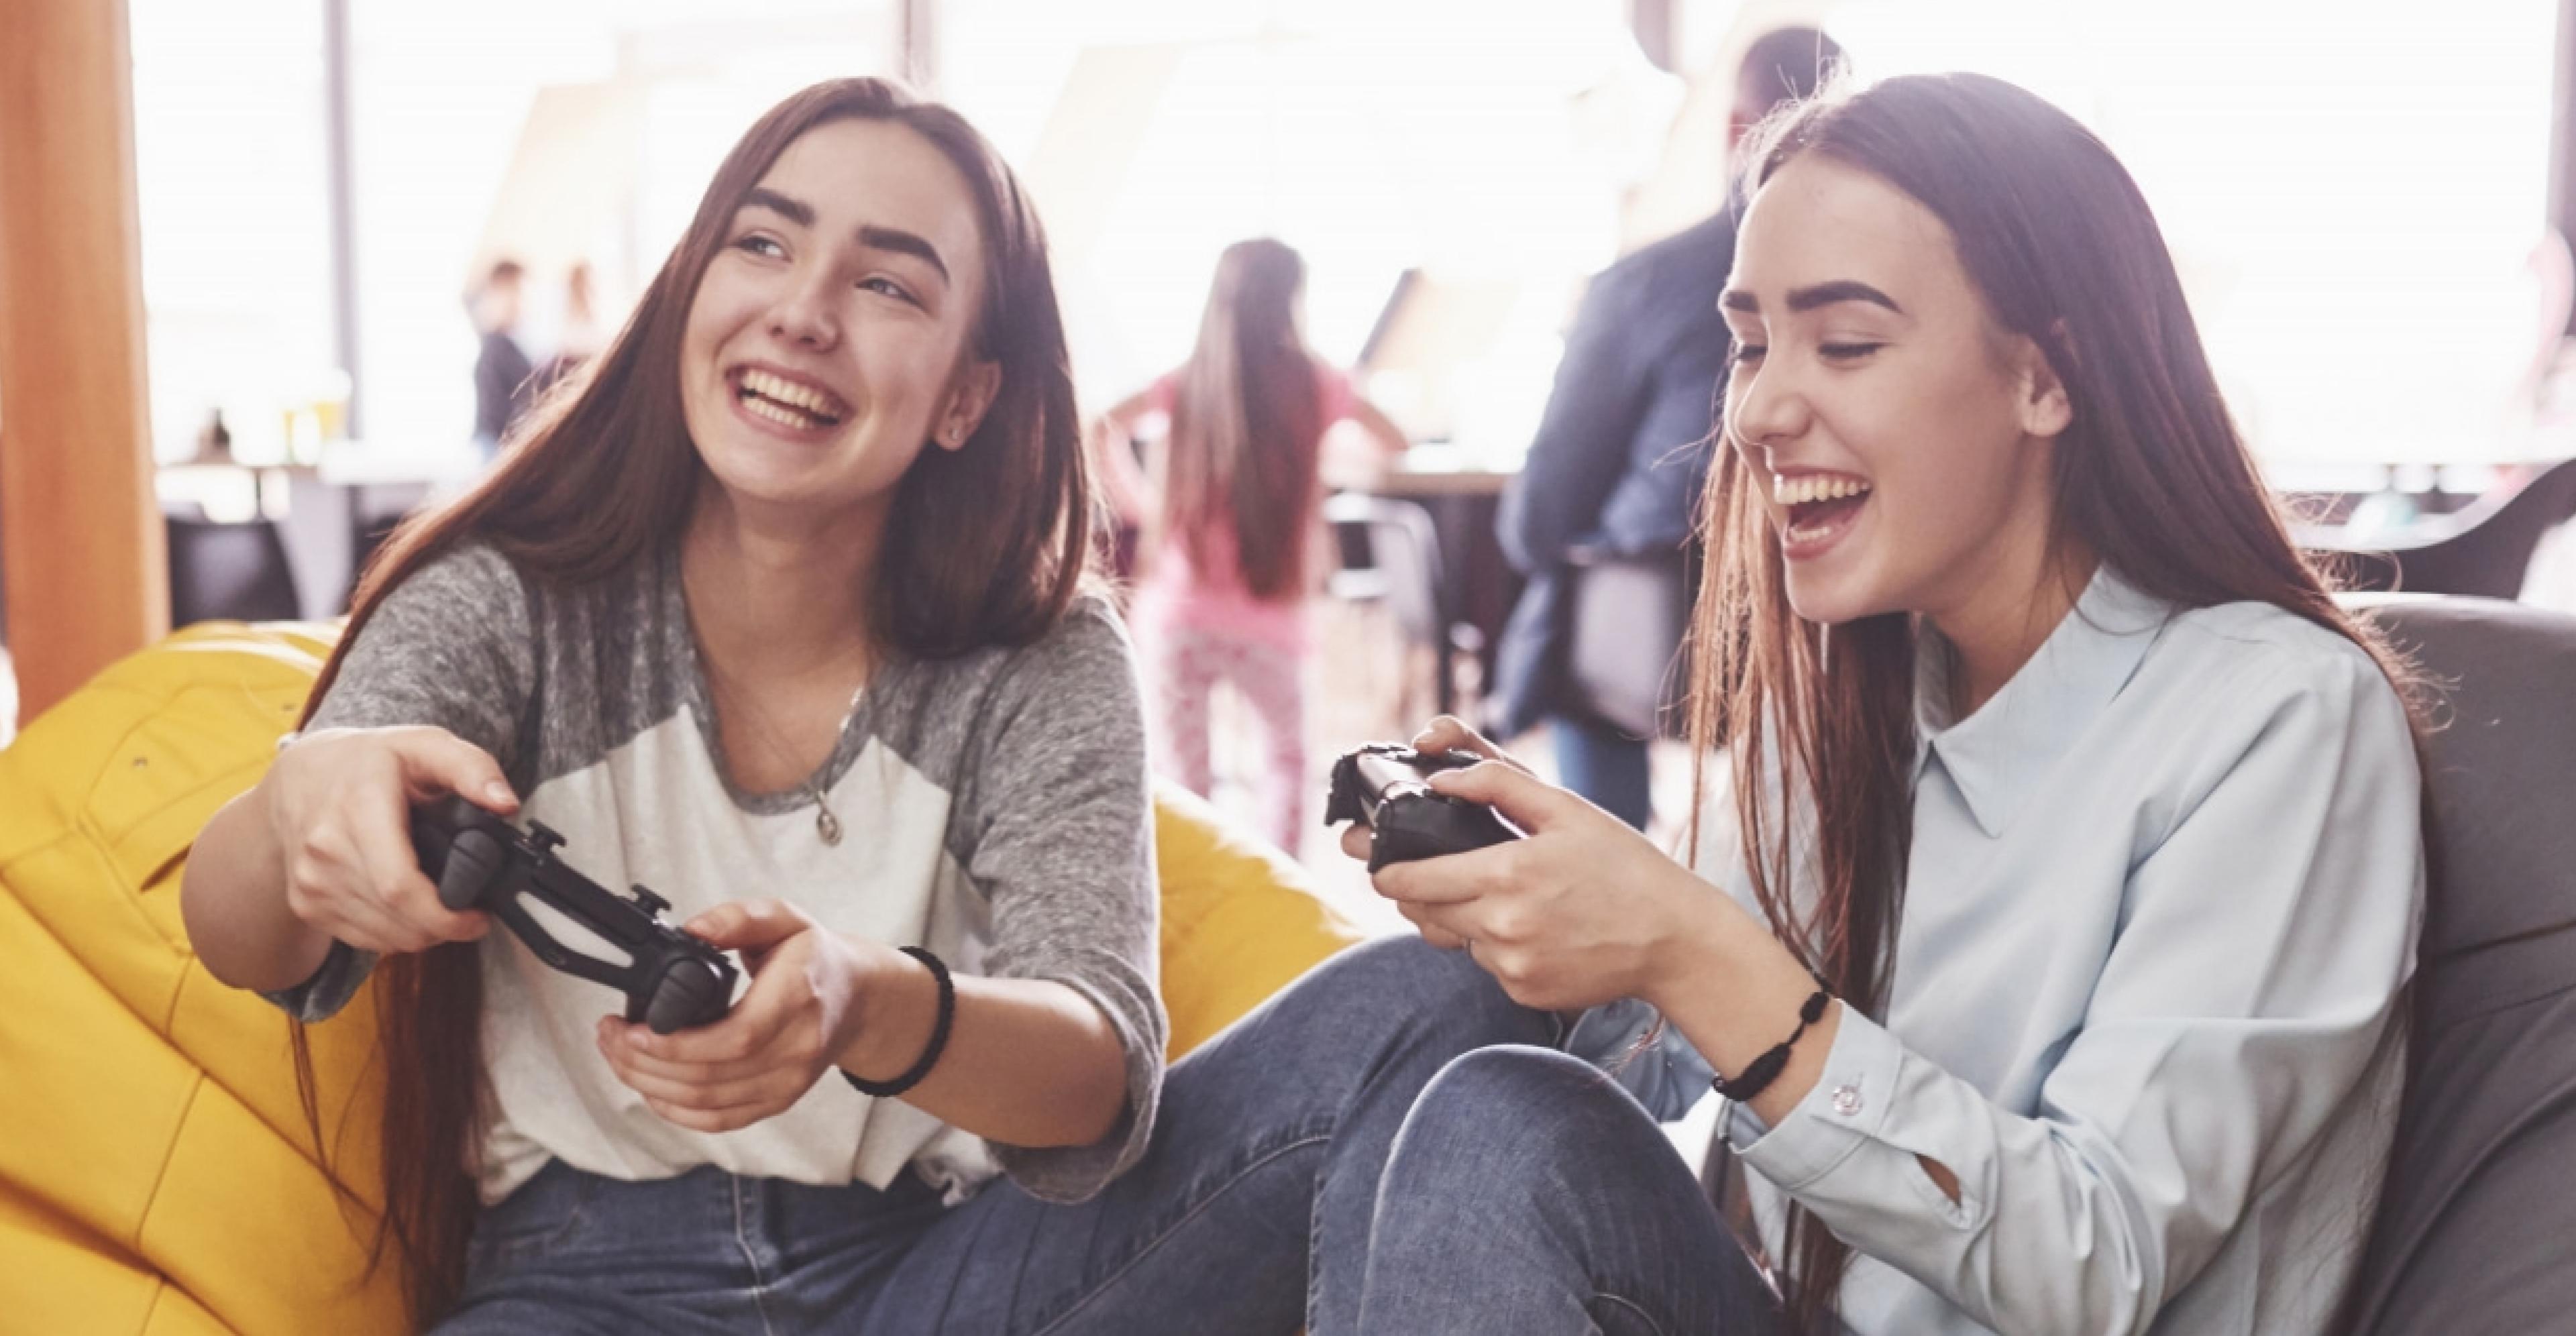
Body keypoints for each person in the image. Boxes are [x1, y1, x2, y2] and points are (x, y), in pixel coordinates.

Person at [181, 78, 1537, 1334]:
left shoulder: (1041, 653)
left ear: (966, 396)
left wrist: (866, 1004)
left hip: (938, 1274)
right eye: (761, 246)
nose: (804, 310)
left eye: (886, 280)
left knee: (1446, 1011)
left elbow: (1098, 1075)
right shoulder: (509, 600)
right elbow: (241, 938)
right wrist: (302, 798)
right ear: (692, 289)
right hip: (587, 1278)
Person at [1341, 73, 2430, 1334]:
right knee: (1418, 1023)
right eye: (1750, 345)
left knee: (1497, 1134)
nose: (1756, 410)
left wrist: (1693, 951)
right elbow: (1649, 1066)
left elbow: (2097, 1261)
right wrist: (1552, 904)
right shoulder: (1864, 701)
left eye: (1844, 343)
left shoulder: (2280, 717)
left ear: (2046, 377)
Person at [1493, 26, 1845, 830]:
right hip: (1829, 640)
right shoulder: (1904, 286)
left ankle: (1602, 853)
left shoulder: (1644, 283)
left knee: (1570, 629)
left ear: (1732, 130)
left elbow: (1543, 512)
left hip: (1652, 641)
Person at [1087, 238, 1407, 850]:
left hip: (1182, 613)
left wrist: (1144, 508)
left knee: (1186, 781)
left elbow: (1101, 424)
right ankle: (1282, 885)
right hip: (1272, 615)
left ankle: (1200, 893)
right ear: (1292, 298)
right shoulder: (1317, 383)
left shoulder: (1187, 380)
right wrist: (1326, 470)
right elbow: (1394, 439)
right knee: (1287, 765)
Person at [469, 259, 540, 456]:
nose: (523, 302)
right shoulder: (495, 347)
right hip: (497, 448)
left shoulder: (511, 344)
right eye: (518, 292)